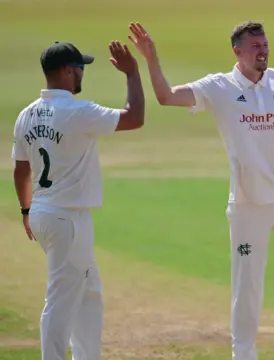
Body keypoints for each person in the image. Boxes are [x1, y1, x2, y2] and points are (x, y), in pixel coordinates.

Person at [127, 21, 274, 360]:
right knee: (247, 289)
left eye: (265, 44)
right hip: (249, 204)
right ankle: (244, 355)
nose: (263, 51)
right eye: (255, 47)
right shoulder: (218, 87)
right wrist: (151, 58)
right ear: (237, 51)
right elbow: (165, 97)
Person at [12, 40, 145, 360]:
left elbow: (21, 170)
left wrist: (27, 209)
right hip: (68, 218)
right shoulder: (77, 110)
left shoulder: (26, 114)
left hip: (45, 212)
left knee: (88, 292)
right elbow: (135, 117)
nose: (83, 73)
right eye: (81, 68)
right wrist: (132, 73)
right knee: (60, 298)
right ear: (68, 71)